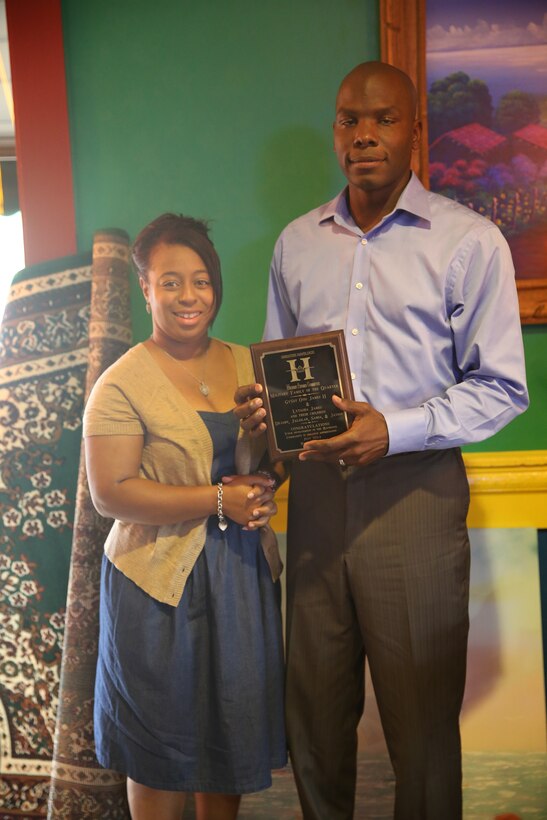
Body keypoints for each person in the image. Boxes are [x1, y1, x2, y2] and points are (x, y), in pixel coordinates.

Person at [234, 61, 529, 820]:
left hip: (416, 498)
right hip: (318, 502)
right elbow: (281, 368)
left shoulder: (470, 242)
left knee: (421, 735)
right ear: (335, 129)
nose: (362, 134)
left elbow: (501, 388)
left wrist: (391, 431)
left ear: (413, 131)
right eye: (346, 119)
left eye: (382, 119)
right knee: (315, 726)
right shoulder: (297, 244)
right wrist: (266, 418)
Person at [83, 213, 287, 820]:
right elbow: (111, 492)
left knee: (231, 741)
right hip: (156, 586)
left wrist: (269, 481)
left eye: (200, 280)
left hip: (241, 578)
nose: (188, 296)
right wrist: (218, 501)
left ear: (216, 286)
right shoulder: (121, 384)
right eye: (170, 283)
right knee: (158, 748)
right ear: (145, 289)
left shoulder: (252, 364)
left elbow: (275, 466)